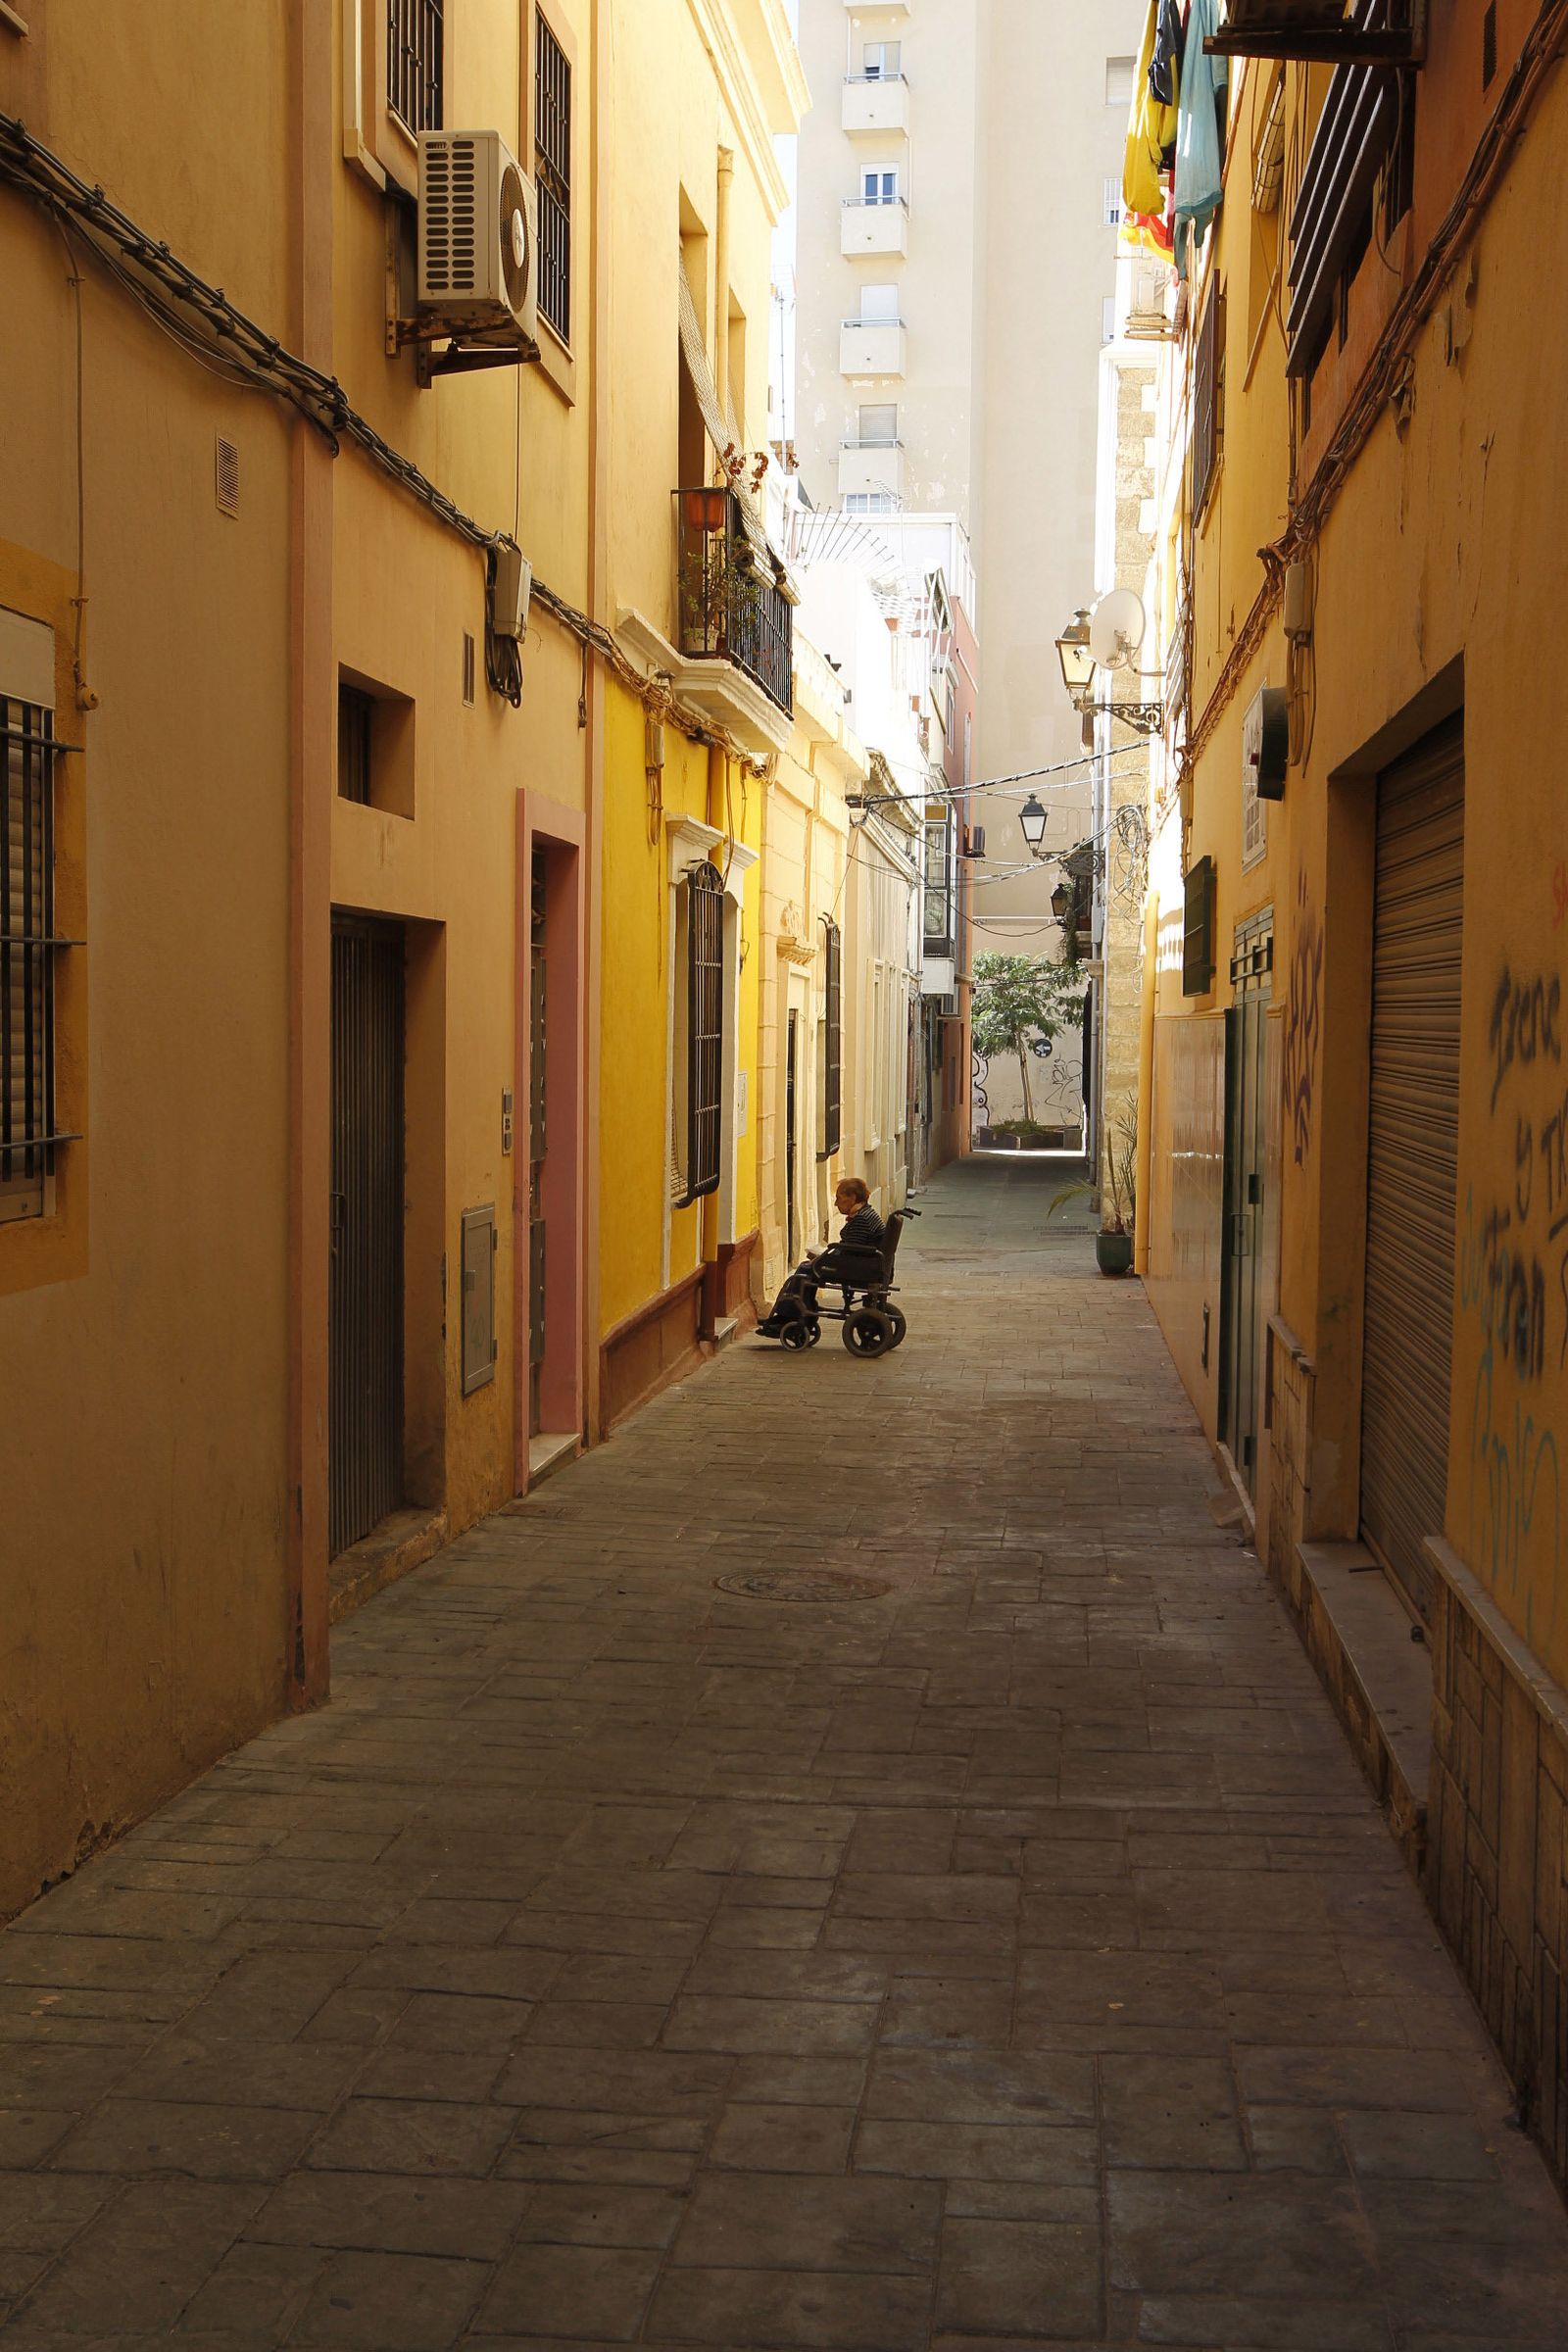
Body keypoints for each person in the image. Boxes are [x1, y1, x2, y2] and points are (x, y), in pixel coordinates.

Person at [757, 1178, 886, 1337]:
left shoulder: (861, 1219)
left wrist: (823, 1258)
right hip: (865, 1264)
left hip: (858, 1268)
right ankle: (798, 1313)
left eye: (839, 1198)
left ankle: (787, 1318)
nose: (835, 1204)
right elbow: (851, 1249)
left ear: (852, 1198)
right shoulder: (866, 1213)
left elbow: (850, 1251)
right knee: (808, 1266)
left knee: (804, 1271)